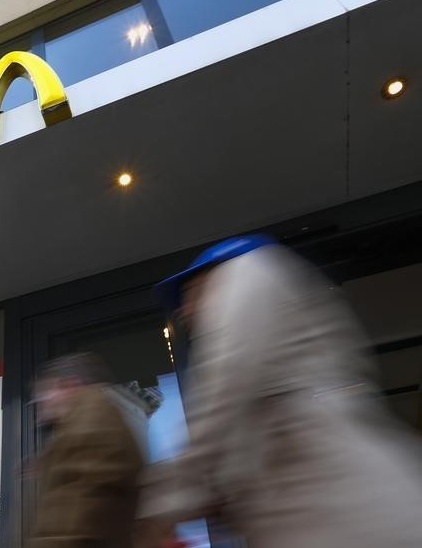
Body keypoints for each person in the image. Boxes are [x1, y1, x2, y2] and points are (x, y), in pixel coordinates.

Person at [137, 235, 422, 548]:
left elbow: (223, 395)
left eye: (189, 295)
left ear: (214, 278)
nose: (184, 311)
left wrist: (158, 508)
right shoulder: (271, 390)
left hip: (360, 519)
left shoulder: (249, 270)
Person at [30, 352, 145, 548]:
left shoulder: (89, 420)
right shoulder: (91, 420)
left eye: (44, 395)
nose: (40, 412)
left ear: (69, 385)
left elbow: (74, 514)